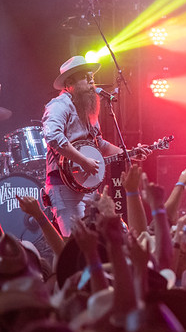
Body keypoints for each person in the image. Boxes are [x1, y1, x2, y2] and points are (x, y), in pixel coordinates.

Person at [42, 56, 146, 236]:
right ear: (70, 83)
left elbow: (100, 144)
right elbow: (52, 135)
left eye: (92, 77)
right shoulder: (59, 105)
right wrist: (83, 161)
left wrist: (129, 153)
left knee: (116, 232)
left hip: (87, 186)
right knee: (77, 242)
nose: (92, 81)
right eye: (85, 77)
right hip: (64, 185)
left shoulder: (87, 111)